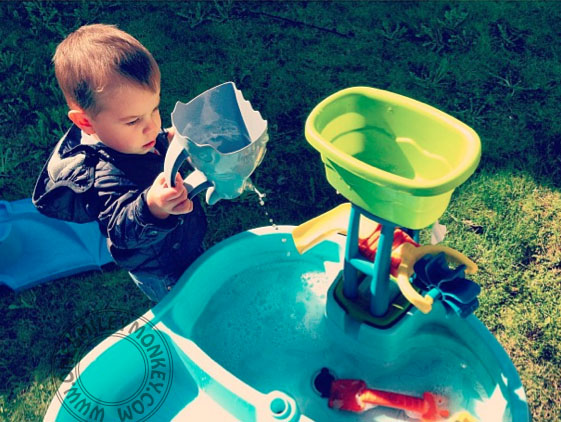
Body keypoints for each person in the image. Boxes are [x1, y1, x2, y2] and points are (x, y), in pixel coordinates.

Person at [32, 23, 207, 302]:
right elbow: (122, 232)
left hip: (180, 243)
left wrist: (168, 139)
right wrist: (152, 207)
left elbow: (153, 135)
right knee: (189, 305)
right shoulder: (104, 175)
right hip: (163, 272)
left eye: (154, 110)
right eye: (134, 120)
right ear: (85, 122)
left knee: (201, 277)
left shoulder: (135, 137)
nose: (151, 127)